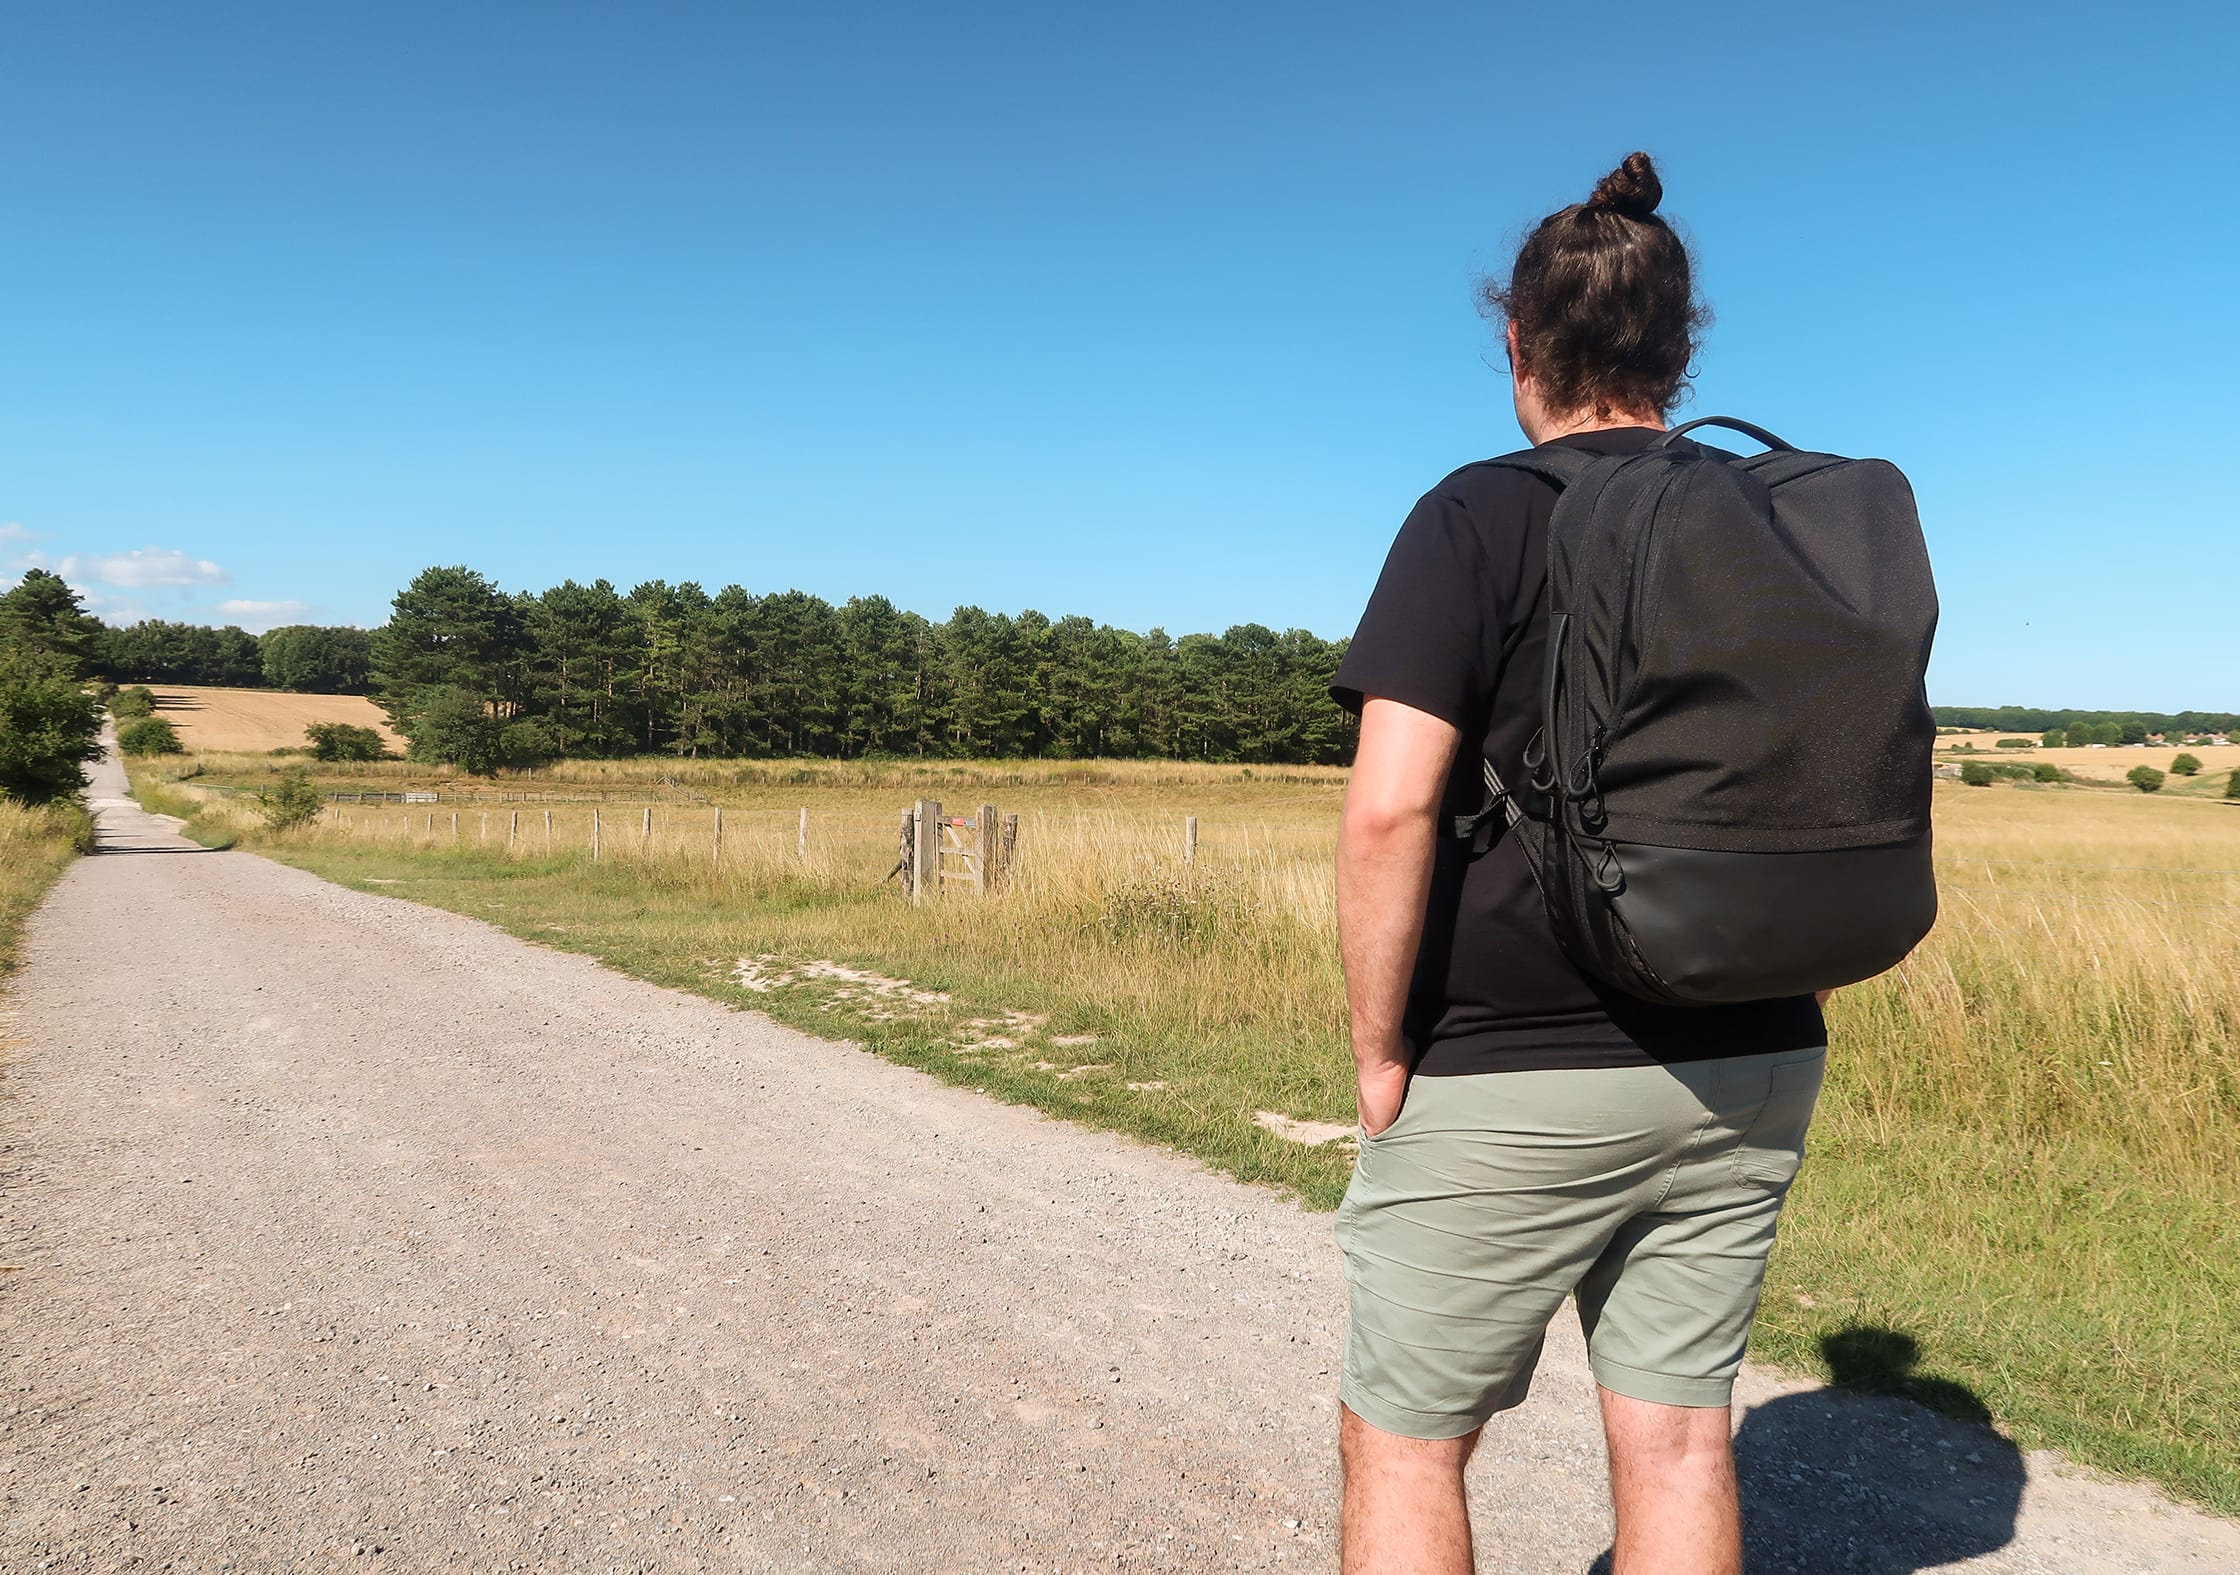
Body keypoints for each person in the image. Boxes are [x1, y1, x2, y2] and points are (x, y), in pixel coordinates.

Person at [1329, 152, 1830, 1575]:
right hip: (1755, 1060)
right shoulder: (1775, 522)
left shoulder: (1478, 516)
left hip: (1513, 1067)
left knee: (1410, 1442)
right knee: (1677, 1440)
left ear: (1517, 342)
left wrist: (1381, 1048)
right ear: (1681, 348)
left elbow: (1387, 812)